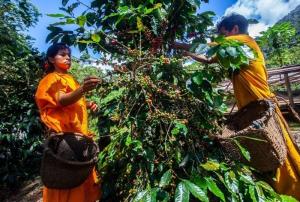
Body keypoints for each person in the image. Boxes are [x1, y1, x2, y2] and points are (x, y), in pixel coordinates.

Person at [172, 13, 300, 199]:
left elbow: (208, 48)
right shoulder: (235, 49)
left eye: (223, 34)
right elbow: (208, 58)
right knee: (270, 148)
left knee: (278, 148)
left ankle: (292, 189)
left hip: (260, 105)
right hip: (251, 107)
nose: (222, 39)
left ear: (234, 30)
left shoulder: (244, 41)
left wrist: (178, 44)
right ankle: (278, 185)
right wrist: (187, 53)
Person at [35, 43, 102, 202]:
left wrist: (87, 103)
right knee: (67, 181)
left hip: (77, 137)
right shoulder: (52, 78)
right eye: (62, 54)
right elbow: (61, 100)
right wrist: (82, 90)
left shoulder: (70, 79)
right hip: (65, 140)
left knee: (78, 177)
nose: (67, 58)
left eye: (69, 55)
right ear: (51, 59)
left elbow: (73, 101)